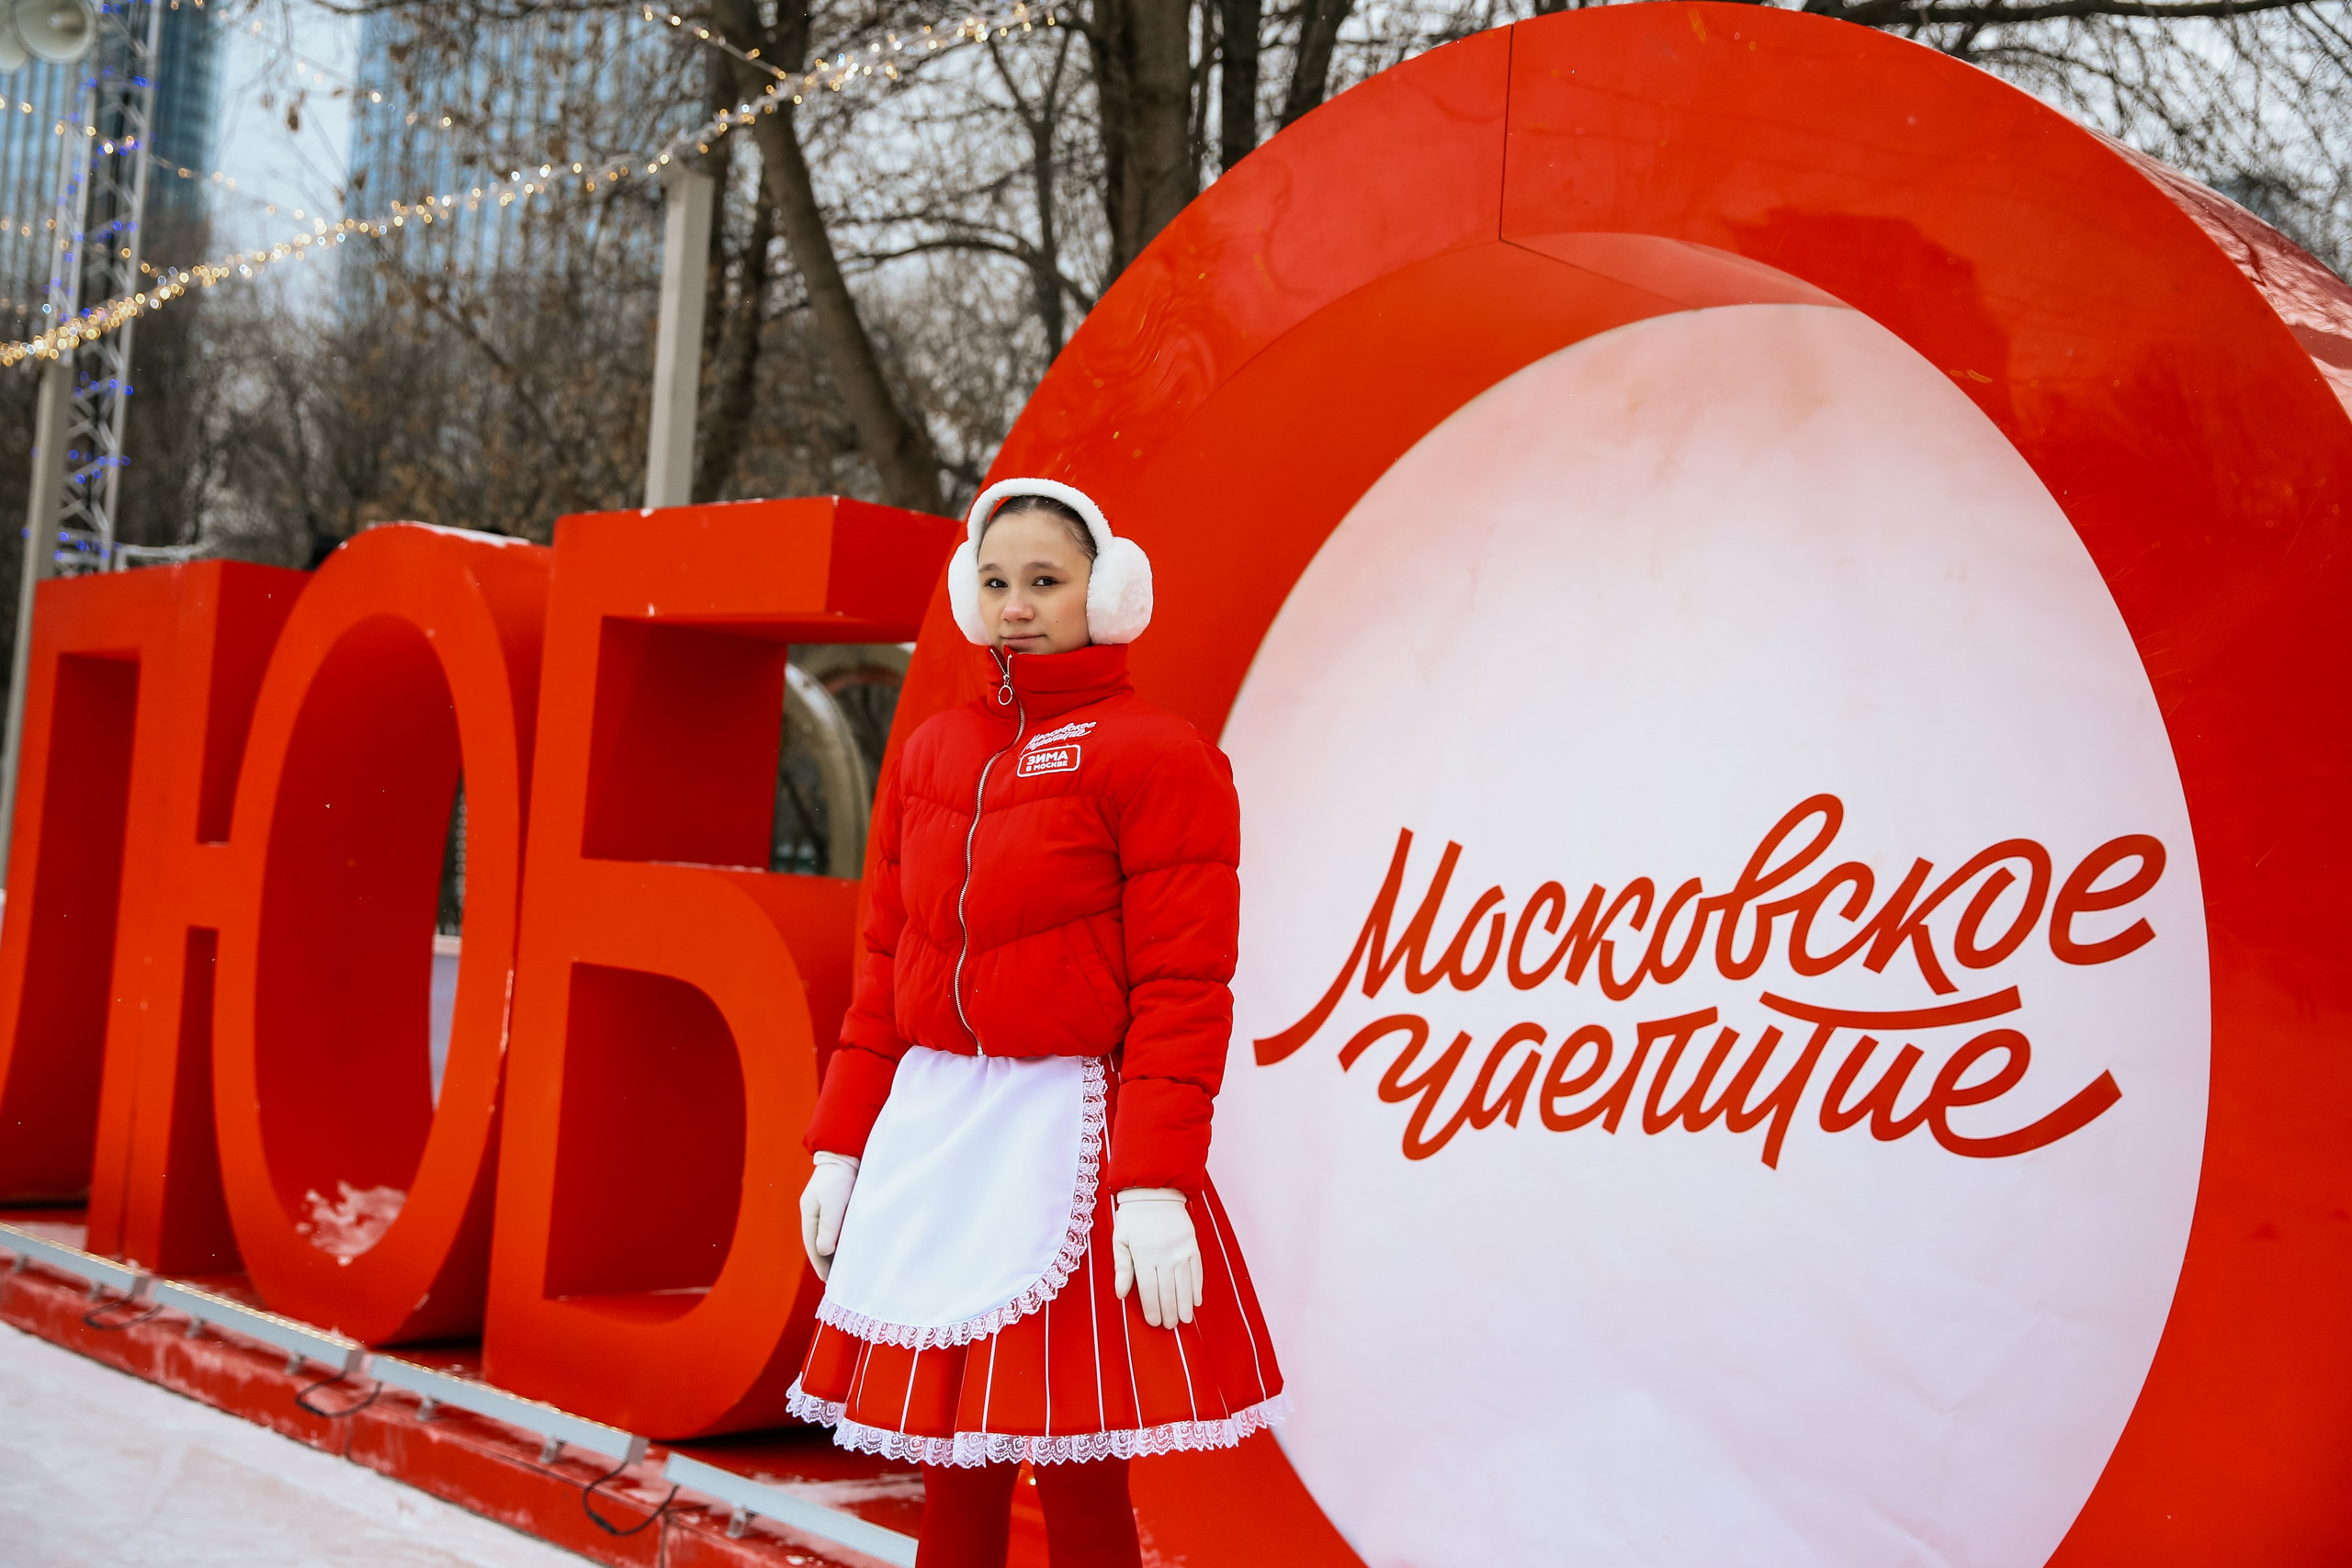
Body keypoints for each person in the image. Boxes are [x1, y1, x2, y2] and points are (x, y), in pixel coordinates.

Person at [786, 478, 1286, 1568]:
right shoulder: (931, 751)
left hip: (1067, 1139)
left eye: (1046, 581)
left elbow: (1182, 985)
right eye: (996, 581)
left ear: (1106, 595)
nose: (1016, 606)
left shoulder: (1156, 754)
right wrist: (839, 1142)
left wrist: (1154, 1182)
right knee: (950, 1463)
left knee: (1074, 1460)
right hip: (936, 1136)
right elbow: (885, 967)